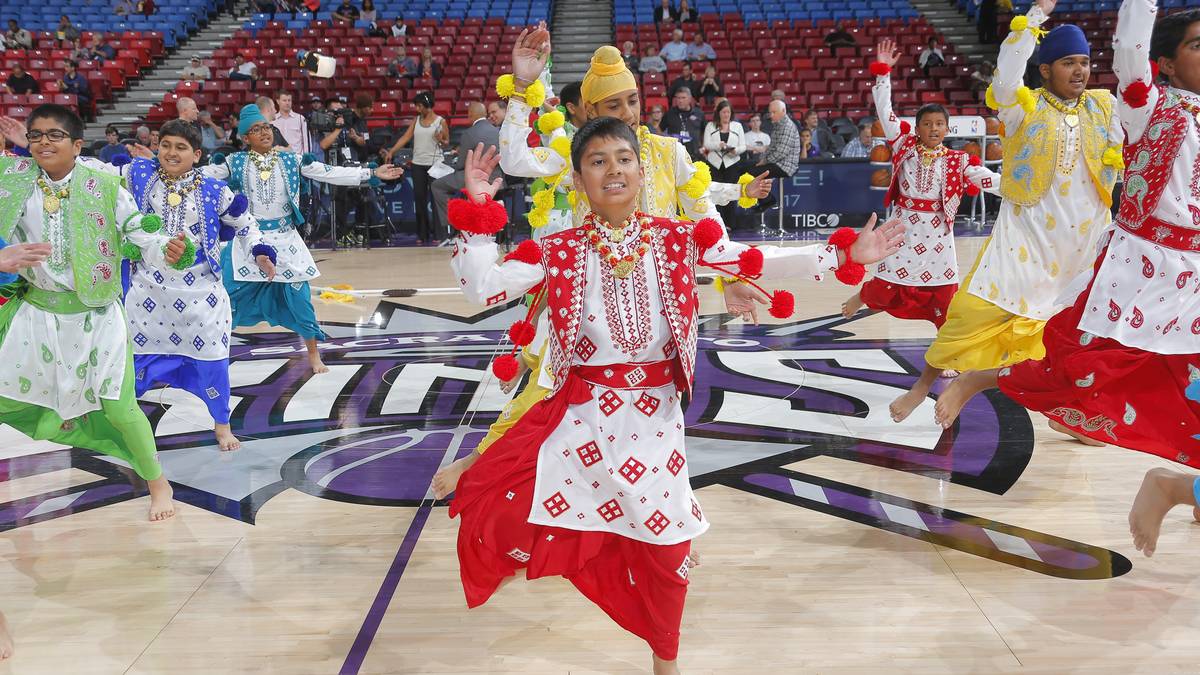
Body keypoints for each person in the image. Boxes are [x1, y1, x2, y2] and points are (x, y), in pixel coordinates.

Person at [445, 121, 904, 675]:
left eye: (623, 158)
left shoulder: (677, 238)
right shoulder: (556, 249)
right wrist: (476, 216)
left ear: (642, 170)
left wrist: (840, 254)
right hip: (581, 418)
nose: (613, 169)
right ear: (577, 177)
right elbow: (483, 287)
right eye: (598, 161)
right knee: (507, 512)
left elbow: (749, 259)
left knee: (668, 544)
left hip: (654, 420)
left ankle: (666, 659)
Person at [429, 31, 778, 500]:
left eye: (633, 100)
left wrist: (732, 276)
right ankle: (484, 462)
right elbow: (512, 160)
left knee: (660, 414)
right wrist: (519, 90)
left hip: (656, 309)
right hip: (585, 301)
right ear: (590, 113)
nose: (630, 114)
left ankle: (671, 519)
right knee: (543, 394)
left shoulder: (669, 152)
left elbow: (704, 219)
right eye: (614, 106)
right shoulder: (578, 156)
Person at [887, 0, 1124, 427]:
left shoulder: (1104, 108)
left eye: (1085, 62)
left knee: (1072, 341)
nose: (1080, 71)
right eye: (1068, 62)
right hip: (1026, 239)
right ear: (1046, 69)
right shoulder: (1022, 108)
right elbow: (1008, 73)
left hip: (1083, 248)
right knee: (969, 317)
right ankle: (923, 385)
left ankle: (1066, 413)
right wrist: (1031, 21)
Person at [0, 106, 187, 521]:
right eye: (35, 136)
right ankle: (62, 417)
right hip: (36, 312)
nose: (44, 143)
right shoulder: (11, 181)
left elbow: (140, 231)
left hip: (96, 317)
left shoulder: (103, 186)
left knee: (120, 410)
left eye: (54, 136)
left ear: (77, 145)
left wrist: (166, 249)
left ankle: (159, 483)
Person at [81, 120, 276, 451]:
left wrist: (260, 252)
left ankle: (222, 424)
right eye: (166, 144)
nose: (171, 152)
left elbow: (245, 224)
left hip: (201, 296)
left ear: (196, 154)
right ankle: (122, 425)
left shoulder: (215, 190)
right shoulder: (139, 175)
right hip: (148, 294)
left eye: (181, 147)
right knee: (134, 362)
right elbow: (96, 171)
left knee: (212, 361)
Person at [202, 104, 404, 374]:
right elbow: (198, 177)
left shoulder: (291, 160)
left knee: (301, 301)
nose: (264, 132)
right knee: (226, 300)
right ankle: (214, 357)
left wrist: (369, 174)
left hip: (286, 241)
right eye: (255, 130)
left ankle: (313, 355)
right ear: (245, 138)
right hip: (248, 240)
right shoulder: (233, 163)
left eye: (266, 127)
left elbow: (328, 172)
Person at [842, 39, 997, 331]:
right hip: (902, 226)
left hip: (938, 234)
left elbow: (987, 179)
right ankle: (862, 296)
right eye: (928, 123)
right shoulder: (903, 145)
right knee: (887, 281)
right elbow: (885, 111)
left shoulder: (959, 160)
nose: (934, 128)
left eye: (939, 124)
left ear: (947, 129)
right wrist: (883, 74)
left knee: (944, 294)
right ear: (917, 127)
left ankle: (944, 348)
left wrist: (1022, 186)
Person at [432, 101, 502, 246]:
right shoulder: (498, 130)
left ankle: (456, 228)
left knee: (437, 185)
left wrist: (453, 163)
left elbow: (462, 164)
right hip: (498, 179)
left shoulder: (469, 133)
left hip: (477, 179)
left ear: (470, 115)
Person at [382, 91, 447, 245]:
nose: (417, 109)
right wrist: (392, 151)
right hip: (418, 164)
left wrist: (441, 139)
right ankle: (422, 234)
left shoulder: (441, 121)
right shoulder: (416, 120)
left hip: (436, 164)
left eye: (419, 106)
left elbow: (446, 142)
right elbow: (405, 137)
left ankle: (440, 234)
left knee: (436, 199)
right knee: (420, 199)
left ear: (428, 106)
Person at [703, 100, 745, 230]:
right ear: (719, 113)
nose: (726, 115)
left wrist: (735, 150)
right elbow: (706, 144)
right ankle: (717, 224)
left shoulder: (737, 126)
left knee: (730, 193)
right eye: (724, 112)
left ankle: (730, 223)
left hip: (732, 163)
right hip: (715, 163)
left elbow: (743, 145)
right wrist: (718, 145)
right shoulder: (711, 125)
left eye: (728, 112)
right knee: (715, 193)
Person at [661, 87, 705, 160]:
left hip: (695, 154)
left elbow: (704, 131)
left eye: (683, 98)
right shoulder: (670, 114)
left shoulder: (699, 113)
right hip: (676, 155)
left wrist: (702, 146)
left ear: (690, 99)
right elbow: (660, 129)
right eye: (678, 98)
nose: (680, 101)